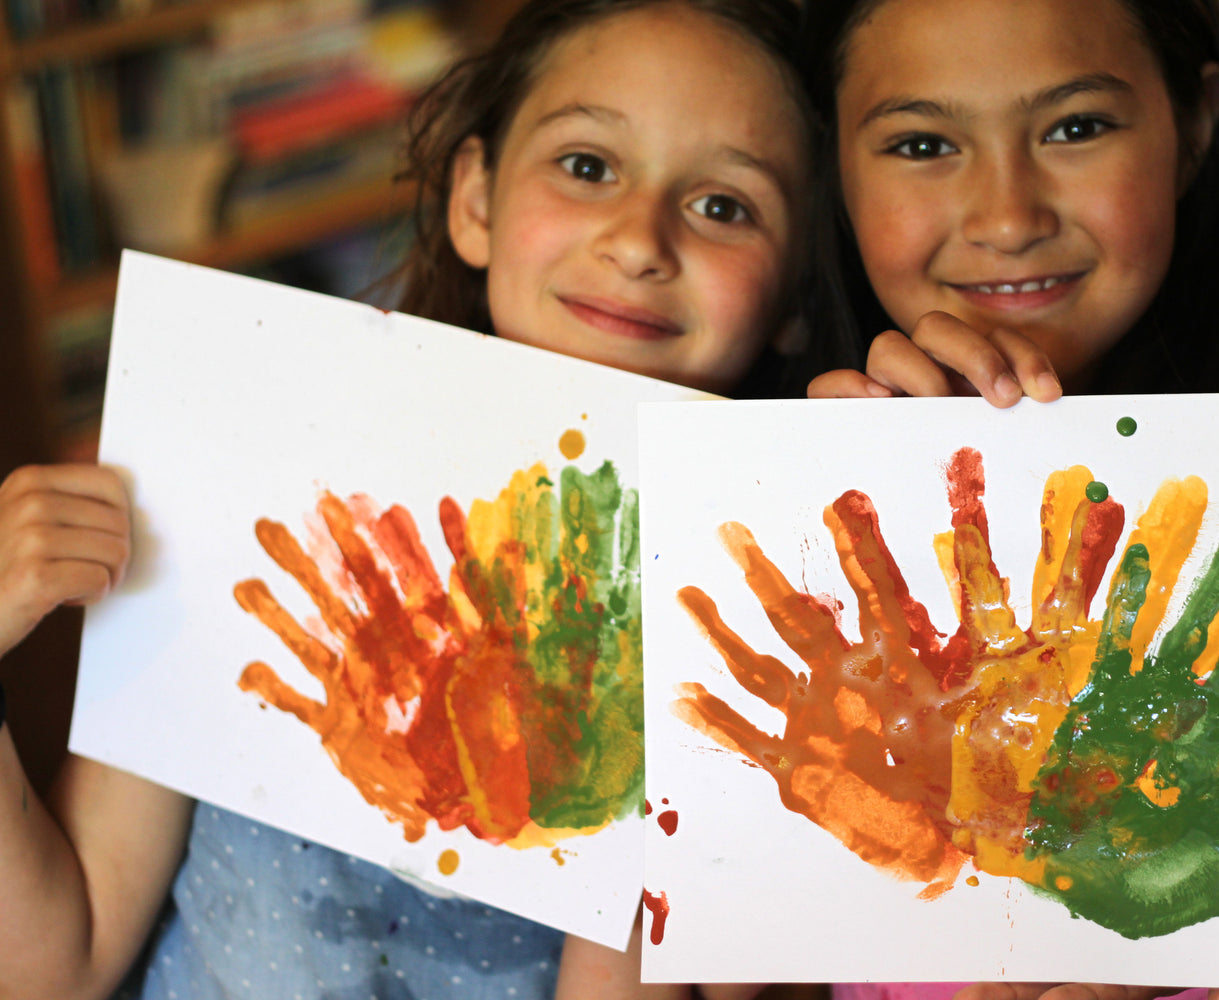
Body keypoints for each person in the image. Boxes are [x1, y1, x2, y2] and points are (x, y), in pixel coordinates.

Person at [0, 1, 826, 997]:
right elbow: (51, 967)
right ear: (475, 198)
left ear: (793, 300)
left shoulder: (785, 634)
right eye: (587, 165)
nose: (638, 238)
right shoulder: (257, 469)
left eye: (725, 206)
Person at [790, 1, 1219, 1000]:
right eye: (921, 142)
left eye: (1076, 128)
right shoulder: (794, 470)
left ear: (1197, 124)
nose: (1007, 215)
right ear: (834, 167)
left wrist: (1203, 954)